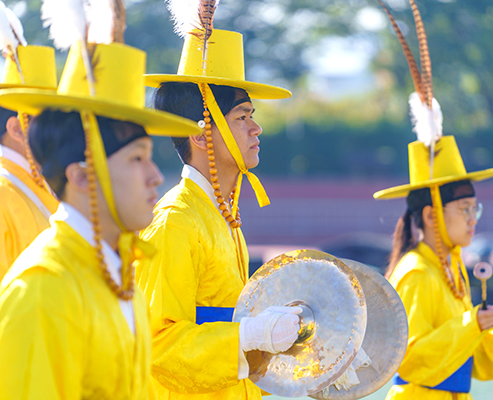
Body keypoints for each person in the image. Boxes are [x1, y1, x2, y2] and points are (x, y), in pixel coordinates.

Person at [0, 7, 200, 398]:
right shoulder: (40, 293)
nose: (155, 176)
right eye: (135, 159)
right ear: (79, 175)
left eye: (148, 156)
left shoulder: (121, 277)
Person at [137, 11, 300, 399]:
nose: (255, 128)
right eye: (242, 117)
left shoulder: (223, 215)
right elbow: (156, 344)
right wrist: (251, 334)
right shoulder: (176, 221)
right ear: (200, 133)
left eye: (252, 116)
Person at [373, 1, 493, 399]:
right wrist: (470, 324)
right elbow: (407, 359)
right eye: (463, 209)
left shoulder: (450, 269)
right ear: (429, 214)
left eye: (474, 208)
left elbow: (478, 360)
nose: (472, 218)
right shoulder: (415, 273)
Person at [0, 9, 59, 278]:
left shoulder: (40, 182)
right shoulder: (4, 192)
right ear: (15, 128)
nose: (61, 131)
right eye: (48, 119)